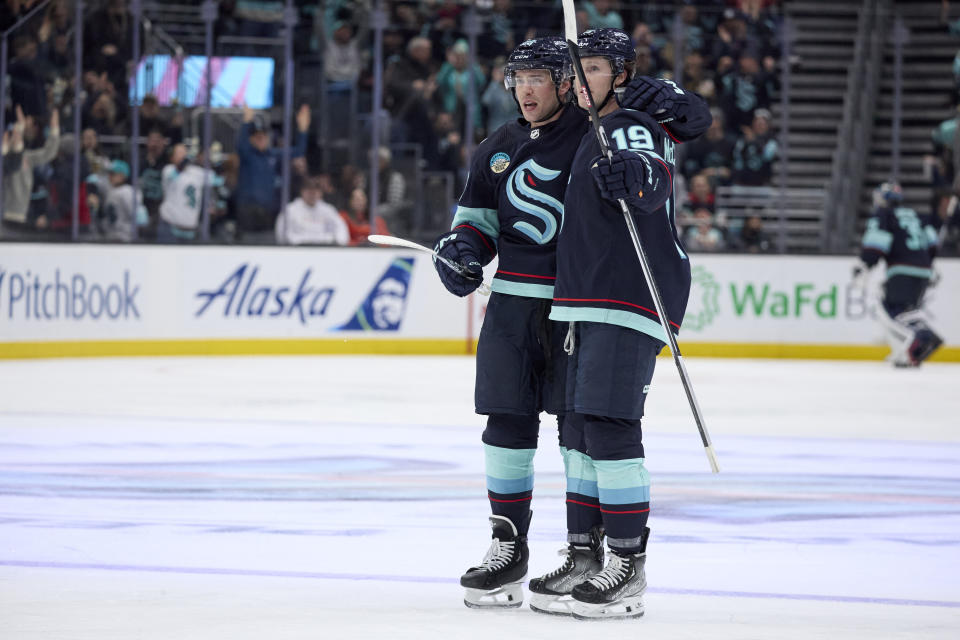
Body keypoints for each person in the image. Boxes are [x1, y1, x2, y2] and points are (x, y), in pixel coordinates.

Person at [430, 35, 710, 614]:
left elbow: (669, 136)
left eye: (540, 77)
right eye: (518, 78)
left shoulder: (598, 128)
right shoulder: (498, 145)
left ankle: (604, 554)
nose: (526, 89)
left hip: (572, 302)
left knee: (584, 428)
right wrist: (461, 250)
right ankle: (510, 546)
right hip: (514, 303)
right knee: (507, 420)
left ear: (567, 83)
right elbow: (476, 221)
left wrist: (674, 103)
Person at [549, 28, 697, 620]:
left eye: (595, 68)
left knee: (608, 425)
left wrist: (636, 178)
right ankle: (584, 553)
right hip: (586, 299)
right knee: (578, 430)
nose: (582, 79)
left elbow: (651, 172)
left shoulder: (626, 123)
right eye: (576, 68)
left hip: (628, 294)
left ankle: (627, 564)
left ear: (621, 76)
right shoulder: (586, 133)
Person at [853, 182, 943, 367]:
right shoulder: (919, 216)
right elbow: (933, 243)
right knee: (907, 310)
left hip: (901, 269)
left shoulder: (885, 215)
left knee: (891, 310)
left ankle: (922, 335)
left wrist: (865, 265)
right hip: (924, 270)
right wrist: (926, 263)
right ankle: (905, 352)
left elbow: (876, 244)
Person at [275, 175, 350, 246]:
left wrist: (338, 246)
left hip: (324, 250)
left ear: (320, 193)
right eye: (309, 190)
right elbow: (282, 234)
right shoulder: (290, 210)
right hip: (297, 250)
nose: (312, 194)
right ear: (302, 191)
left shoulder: (328, 210)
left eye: (315, 191)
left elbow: (341, 230)